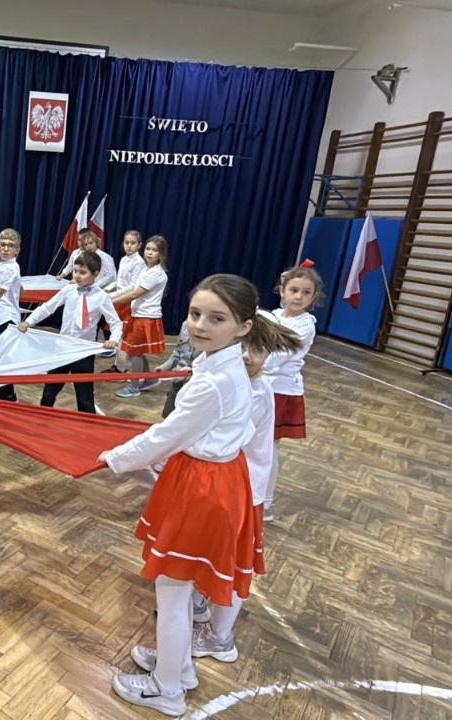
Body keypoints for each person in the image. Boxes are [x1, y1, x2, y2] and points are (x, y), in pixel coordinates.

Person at [96, 274, 300, 716]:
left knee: (171, 591)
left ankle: (167, 689)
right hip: (210, 479)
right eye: (195, 314)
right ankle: (180, 666)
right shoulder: (220, 365)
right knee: (180, 588)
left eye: (216, 318)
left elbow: (167, 434)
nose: (201, 325)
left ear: (243, 327)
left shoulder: (215, 379)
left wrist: (115, 458)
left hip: (203, 487)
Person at [190, 333, 277, 666]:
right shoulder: (233, 381)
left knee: (235, 563)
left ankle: (220, 637)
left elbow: (217, 436)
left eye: (257, 349)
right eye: (240, 347)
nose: (246, 356)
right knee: (207, 548)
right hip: (225, 486)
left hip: (243, 490)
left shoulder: (255, 391)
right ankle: (199, 602)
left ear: (269, 354)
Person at [18, 251, 121, 414]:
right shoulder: (69, 290)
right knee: (50, 390)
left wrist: (114, 339)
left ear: (95, 274)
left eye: (83, 272)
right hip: (62, 348)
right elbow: (47, 307)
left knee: (85, 396)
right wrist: (28, 321)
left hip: (83, 351)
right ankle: (42, 417)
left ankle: (87, 424)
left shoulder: (102, 297)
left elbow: (115, 322)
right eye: (76, 271)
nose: (77, 276)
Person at [260, 265, 322, 519]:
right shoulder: (272, 316)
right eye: (294, 290)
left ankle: (265, 503)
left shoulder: (305, 325)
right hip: (260, 386)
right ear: (282, 291)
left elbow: (275, 359)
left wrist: (247, 362)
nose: (299, 296)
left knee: (268, 446)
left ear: (313, 297)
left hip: (281, 392)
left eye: (306, 292)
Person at [110, 235, 169, 398]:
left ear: (161, 254)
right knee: (137, 351)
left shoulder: (156, 273)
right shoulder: (146, 269)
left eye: (154, 250)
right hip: (138, 315)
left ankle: (133, 386)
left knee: (135, 352)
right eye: (148, 249)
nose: (149, 253)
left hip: (146, 318)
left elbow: (135, 294)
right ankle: (148, 379)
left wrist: (110, 301)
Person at [0, 229, 23, 402]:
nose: (6, 249)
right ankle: (6, 394)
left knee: (1, 358)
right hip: (2, 316)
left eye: (10, 246)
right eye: (3, 245)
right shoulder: (6, 266)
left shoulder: (10, 268)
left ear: (17, 250)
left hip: (6, 317)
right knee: (2, 357)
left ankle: (4, 397)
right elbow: (20, 290)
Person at [103, 231, 146, 372]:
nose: (129, 246)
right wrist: (107, 289)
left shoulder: (139, 262)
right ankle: (118, 366)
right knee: (118, 333)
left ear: (139, 245)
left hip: (127, 300)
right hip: (118, 299)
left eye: (133, 243)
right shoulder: (123, 259)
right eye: (127, 242)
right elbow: (119, 281)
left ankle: (120, 368)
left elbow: (133, 286)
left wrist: (114, 295)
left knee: (123, 335)